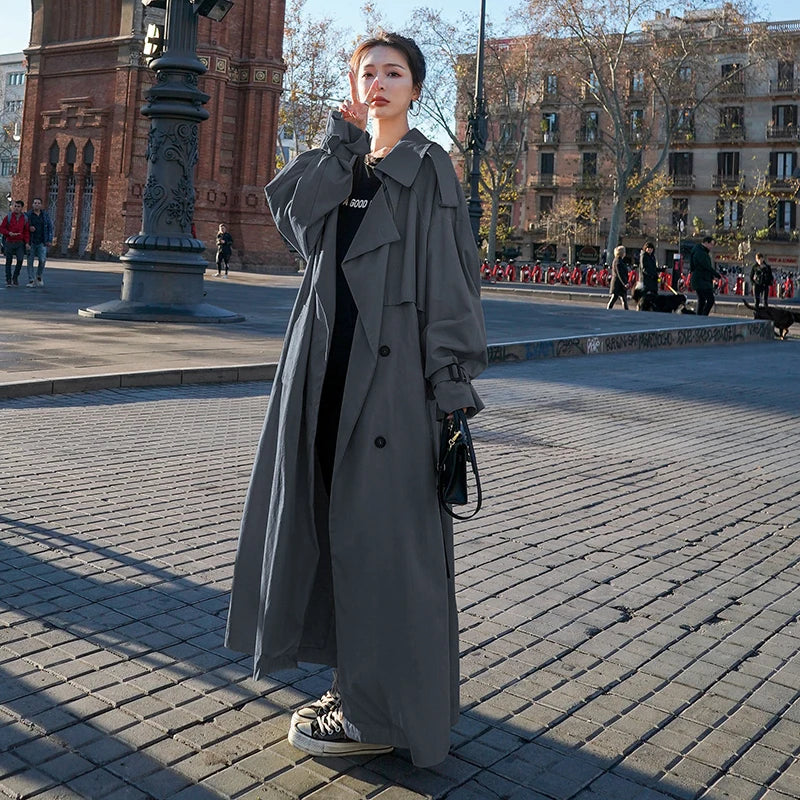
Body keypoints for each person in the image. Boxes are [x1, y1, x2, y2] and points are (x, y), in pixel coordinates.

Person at [224, 32, 487, 768]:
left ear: (415, 86)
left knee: (386, 553)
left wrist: (451, 391)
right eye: (367, 72)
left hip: (393, 389)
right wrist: (341, 147)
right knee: (337, 538)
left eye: (393, 72)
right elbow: (296, 231)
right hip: (321, 379)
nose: (378, 82)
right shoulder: (340, 164)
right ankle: (356, 692)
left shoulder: (432, 169)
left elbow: (452, 285)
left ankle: (380, 710)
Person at [25, 198, 54, 288]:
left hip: (42, 241)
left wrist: (49, 240)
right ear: (32, 204)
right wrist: (29, 228)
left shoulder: (45, 215)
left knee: (42, 260)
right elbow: (23, 227)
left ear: (41, 205)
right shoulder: (28, 215)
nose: (37, 204)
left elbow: (50, 227)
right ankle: (31, 279)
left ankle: (39, 276)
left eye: (38, 203)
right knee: (30, 261)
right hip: (31, 241)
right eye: (35, 203)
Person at [1, 200, 29, 287]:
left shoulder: (25, 218)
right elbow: (1, 228)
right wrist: (8, 233)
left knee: (20, 260)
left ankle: (15, 277)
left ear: (21, 208)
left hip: (19, 242)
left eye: (18, 207)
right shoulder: (8, 217)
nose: (16, 208)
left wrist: (27, 243)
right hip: (9, 241)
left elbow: (26, 231)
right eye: (15, 206)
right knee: (8, 261)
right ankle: (8, 279)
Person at [689, 235, 719, 315]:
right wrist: (717, 275)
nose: (711, 247)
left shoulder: (699, 251)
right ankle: (703, 316)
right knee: (710, 300)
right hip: (701, 280)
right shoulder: (700, 252)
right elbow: (706, 267)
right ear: (706, 243)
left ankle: (699, 318)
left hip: (700, 279)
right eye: (711, 244)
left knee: (701, 300)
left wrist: (712, 277)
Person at [607, 244, 629, 309]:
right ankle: (609, 309)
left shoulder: (618, 260)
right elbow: (620, 273)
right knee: (615, 298)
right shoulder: (618, 261)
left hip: (619, 284)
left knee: (623, 299)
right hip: (618, 284)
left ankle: (626, 311)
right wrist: (625, 283)